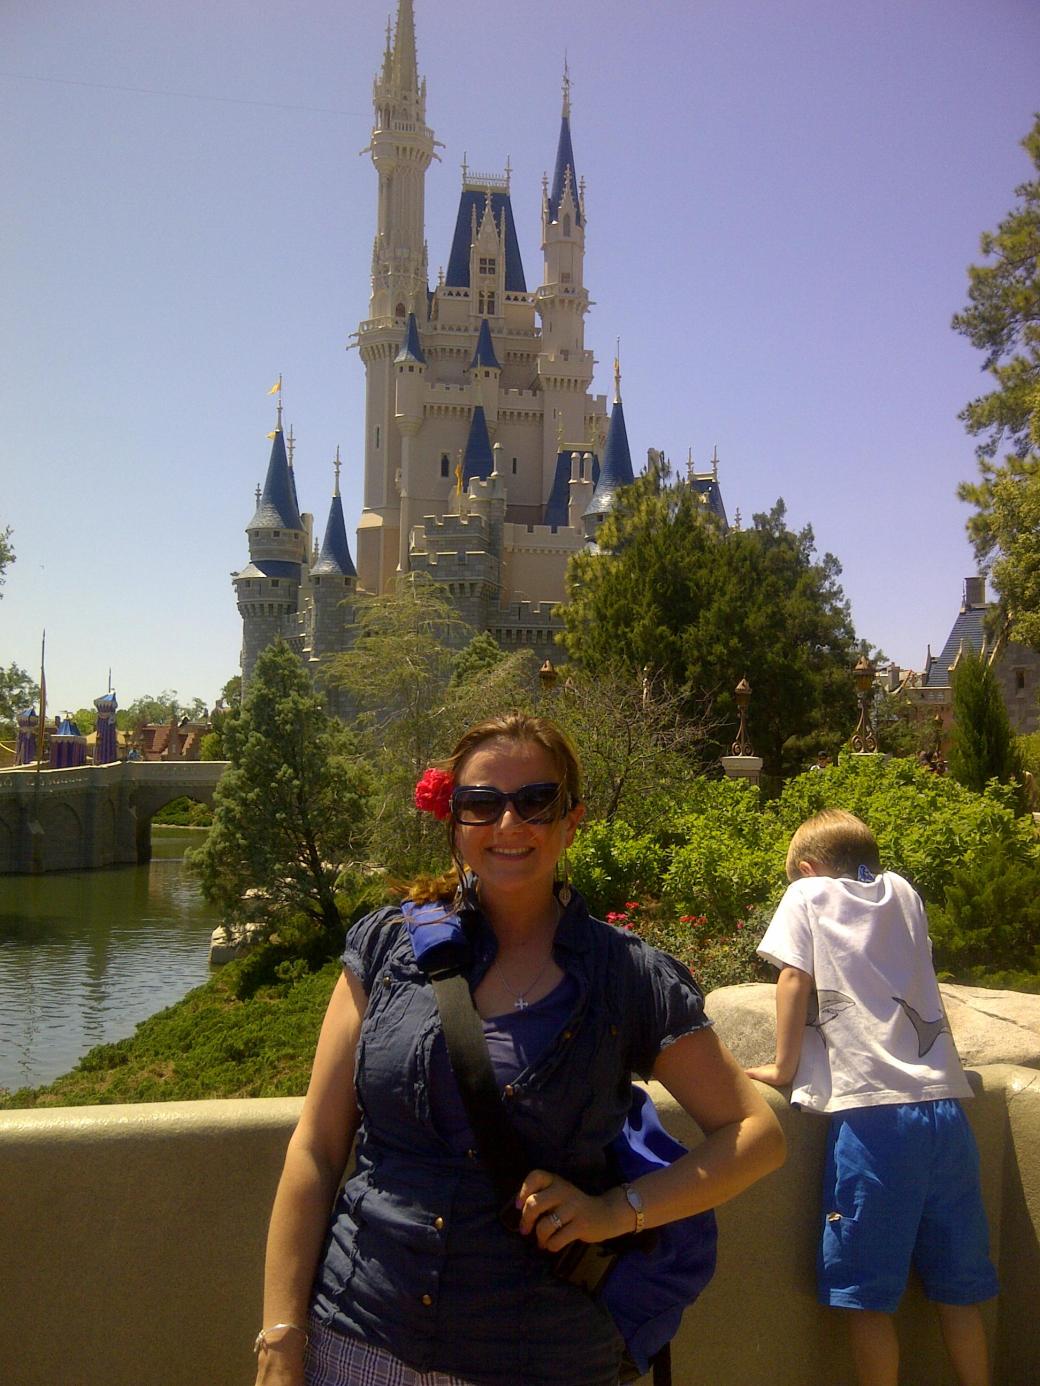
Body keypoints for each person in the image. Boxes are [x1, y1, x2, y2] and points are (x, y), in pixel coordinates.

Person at [255, 712, 785, 1386]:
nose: (509, 824)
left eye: (536, 801)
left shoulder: (628, 976)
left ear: (572, 821)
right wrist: (280, 1338)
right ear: (454, 821)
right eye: (482, 804)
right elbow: (317, 1149)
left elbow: (756, 1134)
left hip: (539, 1358)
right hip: (357, 1340)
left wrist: (615, 1212)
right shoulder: (388, 946)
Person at [746, 809, 998, 1386]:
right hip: (944, 1111)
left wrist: (783, 1066)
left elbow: (792, 978)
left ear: (807, 869)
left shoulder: (807, 893)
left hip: (874, 1120)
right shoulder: (904, 893)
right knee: (958, 1290)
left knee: (866, 1297)